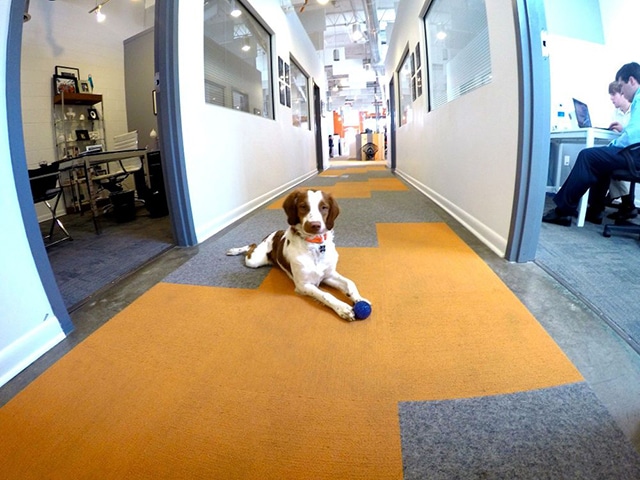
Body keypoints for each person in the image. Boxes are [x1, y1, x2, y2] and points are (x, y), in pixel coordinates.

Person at [543, 62, 640, 226]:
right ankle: (595, 211)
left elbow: (632, 137)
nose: (621, 91)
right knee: (600, 160)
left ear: (631, 81)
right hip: (635, 153)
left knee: (588, 156)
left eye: (622, 86)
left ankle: (563, 211)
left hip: (635, 155)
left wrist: (612, 145)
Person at [606, 81, 636, 219]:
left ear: (623, 94)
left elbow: (633, 135)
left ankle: (626, 203)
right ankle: (626, 203)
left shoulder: (635, 110)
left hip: (632, 152)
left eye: (613, 94)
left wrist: (622, 130)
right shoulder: (615, 113)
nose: (611, 98)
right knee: (606, 158)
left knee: (608, 160)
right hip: (623, 148)